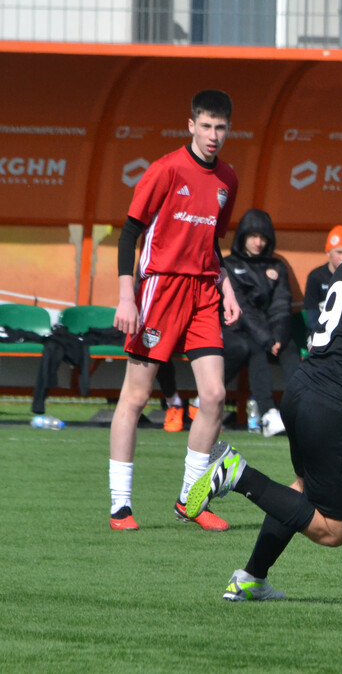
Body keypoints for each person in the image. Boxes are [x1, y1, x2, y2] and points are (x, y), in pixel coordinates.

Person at [182, 171, 342, 601]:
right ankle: (237, 474)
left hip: (302, 391)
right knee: (335, 529)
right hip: (334, 405)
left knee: (300, 491)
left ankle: (250, 578)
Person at [107, 89, 241, 532]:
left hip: (203, 293)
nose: (213, 135)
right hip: (160, 290)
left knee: (215, 396)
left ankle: (190, 499)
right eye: (206, 126)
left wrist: (228, 288)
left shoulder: (228, 180)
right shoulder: (165, 170)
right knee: (136, 397)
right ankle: (120, 505)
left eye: (221, 127)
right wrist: (128, 295)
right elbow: (129, 234)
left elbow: (212, 244)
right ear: (191, 125)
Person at [223, 208, 301, 437]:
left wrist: (277, 336)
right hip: (239, 329)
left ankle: (299, 409)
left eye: (263, 237)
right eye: (253, 236)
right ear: (243, 237)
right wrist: (267, 339)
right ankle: (267, 413)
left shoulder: (276, 266)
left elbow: (281, 305)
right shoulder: (228, 264)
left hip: (271, 331)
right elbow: (243, 308)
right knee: (254, 347)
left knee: (290, 348)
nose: (258, 242)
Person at [303, 224, 342, 332]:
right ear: (328, 252)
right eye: (339, 252)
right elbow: (311, 313)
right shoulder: (316, 277)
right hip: (319, 332)